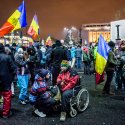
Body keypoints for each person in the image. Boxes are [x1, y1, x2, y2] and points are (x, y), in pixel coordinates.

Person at [0, 43, 16, 118]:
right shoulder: (7, 57)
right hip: (6, 80)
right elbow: (13, 69)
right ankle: (5, 114)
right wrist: (11, 78)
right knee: (6, 97)